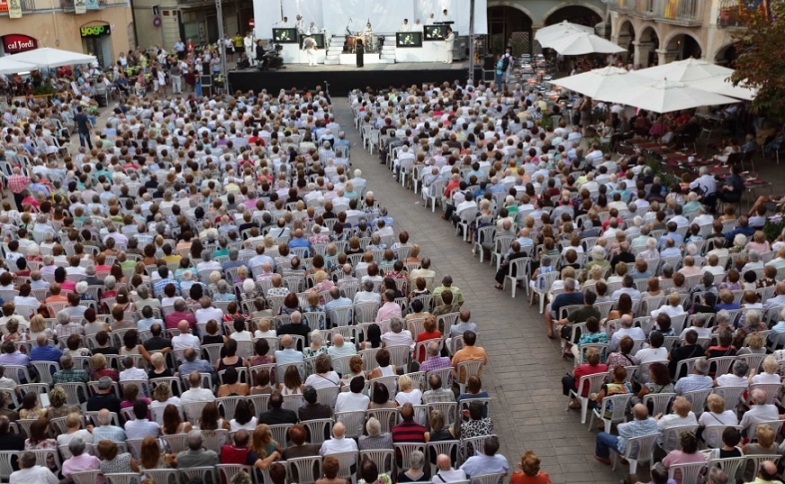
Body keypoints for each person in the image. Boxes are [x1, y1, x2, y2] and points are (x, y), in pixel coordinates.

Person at [594, 404, 659, 465]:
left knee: (601, 436)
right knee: (627, 438)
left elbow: (619, 428)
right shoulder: (653, 422)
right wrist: (657, 416)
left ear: (635, 414)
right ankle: (624, 458)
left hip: (630, 452)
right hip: (646, 451)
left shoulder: (631, 426)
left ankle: (604, 457)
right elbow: (654, 419)